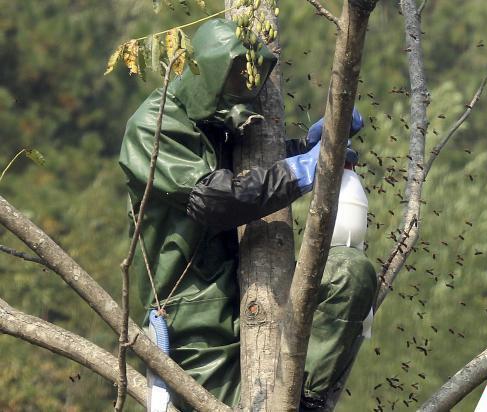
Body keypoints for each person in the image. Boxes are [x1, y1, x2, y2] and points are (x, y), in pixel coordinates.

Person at [119, 19, 375, 410]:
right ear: (199, 71)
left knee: (350, 274)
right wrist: (307, 168)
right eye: (233, 87)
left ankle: (302, 400)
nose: (243, 104)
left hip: (261, 287)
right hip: (195, 320)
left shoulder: (220, 123)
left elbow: (251, 172)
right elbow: (215, 197)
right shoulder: (154, 127)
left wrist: (313, 147)